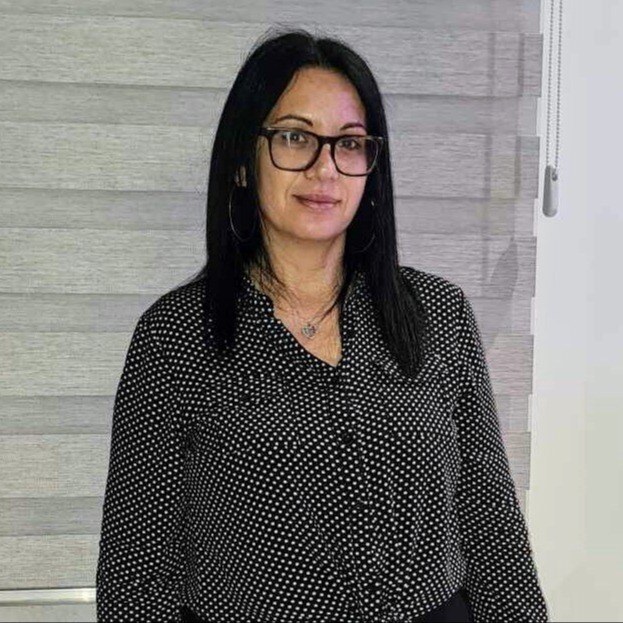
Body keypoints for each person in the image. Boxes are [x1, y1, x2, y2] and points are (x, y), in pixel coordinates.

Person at [95, 26, 549, 623]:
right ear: (243, 162)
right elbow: (136, 577)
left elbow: (493, 530)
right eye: (295, 137)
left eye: (350, 144)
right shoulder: (177, 336)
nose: (325, 168)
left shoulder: (437, 314)